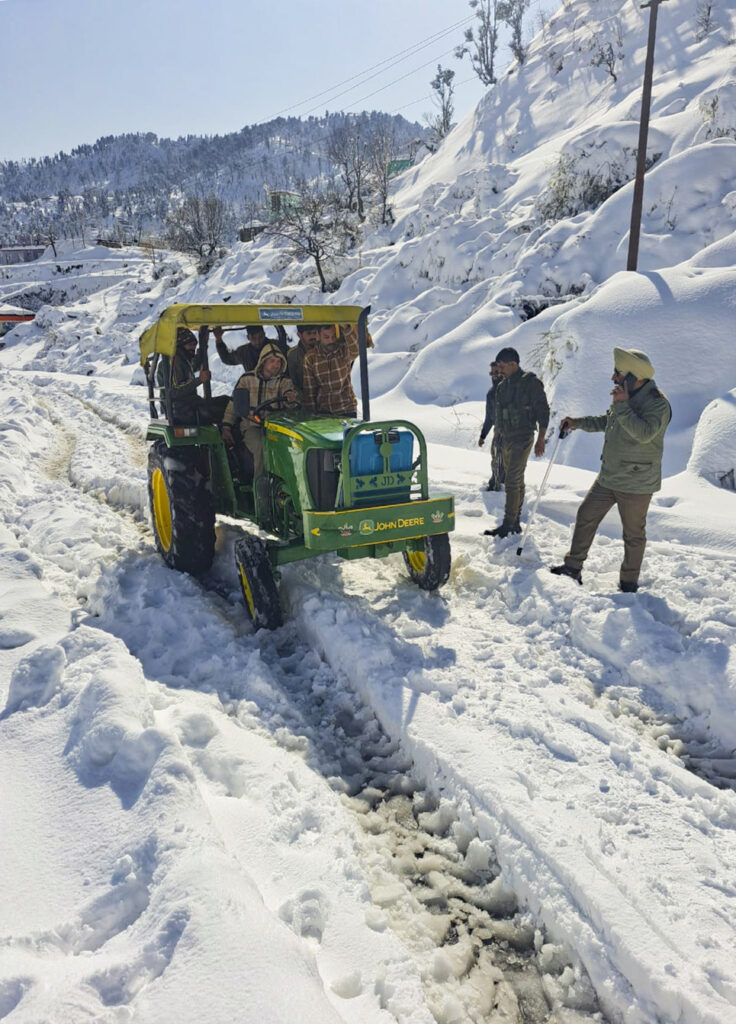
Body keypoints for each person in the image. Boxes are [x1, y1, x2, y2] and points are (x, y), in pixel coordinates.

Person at [550, 347, 671, 593]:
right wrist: (578, 423)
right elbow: (609, 422)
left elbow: (645, 434)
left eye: (618, 373)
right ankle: (572, 567)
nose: (613, 377)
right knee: (586, 515)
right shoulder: (625, 397)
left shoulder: (658, 404)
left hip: (636, 483)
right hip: (610, 476)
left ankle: (628, 584)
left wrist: (623, 405)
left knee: (633, 535)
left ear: (632, 376)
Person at [484, 346, 549, 538]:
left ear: (514, 364)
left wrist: (541, 439)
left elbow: (543, 412)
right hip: (506, 438)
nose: (499, 371)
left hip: (523, 437)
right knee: (516, 479)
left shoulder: (531, 383)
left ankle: (508, 523)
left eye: (502, 366)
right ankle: (515, 521)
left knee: (512, 479)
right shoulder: (503, 387)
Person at [221, 343, 299, 479]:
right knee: (261, 446)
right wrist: (226, 427)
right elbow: (234, 404)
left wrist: (290, 397)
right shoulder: (247, 380)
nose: (276, 365)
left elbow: (290, 394)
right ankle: (262, 488)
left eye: (279, 361)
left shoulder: (283, 381)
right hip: (252, 426)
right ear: (263, 362)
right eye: (272, 361)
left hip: (277, 429)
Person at [159, 327, 229, 424]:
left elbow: (196, 363)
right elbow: (175, 391)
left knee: (228, 403)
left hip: (190, 405)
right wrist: (200, 380)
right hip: (181, 408)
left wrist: (204, 343)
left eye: (195, 345)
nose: (193, 348)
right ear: (180, 345)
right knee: (227, 404)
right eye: (190, 345)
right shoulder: (173, 362)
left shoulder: (183, 359)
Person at [302, 323, 363, 418]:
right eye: (326, 337)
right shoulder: (311, 358)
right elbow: (310, 389)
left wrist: (346, 329)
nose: (331, 340)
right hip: (324, 412)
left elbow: (355, 351)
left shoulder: (342, 350)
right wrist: (311, 415)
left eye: (333, 336)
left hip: (346, 408)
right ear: (318, 336)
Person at [214, 324, 288, 373]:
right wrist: (218, 339)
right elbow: (227, 358)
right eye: (253, 338)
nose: (257, 341)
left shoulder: (275, 346)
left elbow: (290, 355)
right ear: (248, 337)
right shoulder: (244, 352)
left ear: (264, 334)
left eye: (260, 336)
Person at [478, 360, 505, 491]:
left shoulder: (510, 389)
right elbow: (489, 417)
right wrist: (483, 435)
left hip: (511, 430)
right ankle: (497, 483)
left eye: (496, 372)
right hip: (498, 430)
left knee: (502, 457)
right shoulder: (491, 394)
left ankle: (498, 484)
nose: (494, 375)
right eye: (492, 373)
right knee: (495, 456)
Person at [287, 323, 319, 392]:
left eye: (315, 333)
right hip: (304, 398)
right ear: (299, 335)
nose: (313, 336)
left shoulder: (324, 350)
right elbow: (293, 384)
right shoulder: (293, 355)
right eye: (309, 333)